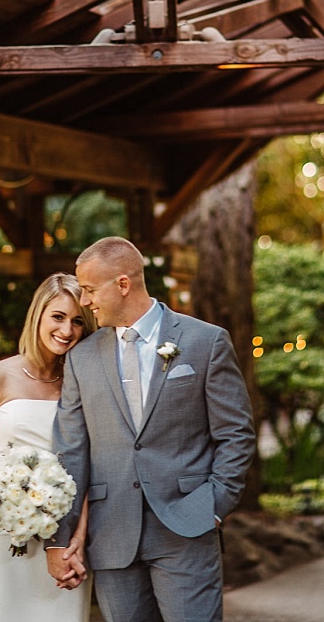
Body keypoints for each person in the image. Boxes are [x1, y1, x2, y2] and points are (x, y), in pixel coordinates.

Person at [48, 237, 256, 622]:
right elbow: (70, 452)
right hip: (111, 534)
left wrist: (214, 504)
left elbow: (235, 434)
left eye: (91, 290)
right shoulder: (81, 358)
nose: (86, 302)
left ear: (123, 284)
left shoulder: (205, 341)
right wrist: (60, 538)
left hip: (186, 526)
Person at [0, 273, 98, 622]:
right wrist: (13, 509)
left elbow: (89, 466)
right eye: (58, 317)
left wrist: (76, 538)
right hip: (7, 534)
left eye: (77, 322)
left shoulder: (81, 384)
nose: (67, 330)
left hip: (67, 535)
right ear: (38, 315)